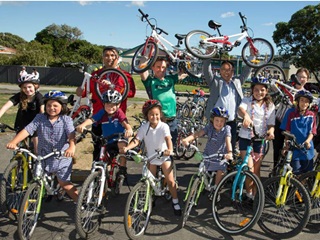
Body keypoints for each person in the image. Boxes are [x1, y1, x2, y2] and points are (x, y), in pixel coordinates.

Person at [6, 90, 78, 203]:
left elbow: (71, 134)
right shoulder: (40, 118)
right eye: (49, 105)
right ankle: (32, 203)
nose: (51, 108)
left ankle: (81, 204)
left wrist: (71, 147)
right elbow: (27, 130)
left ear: (62, 107)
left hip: (62, 155)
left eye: (55, 105)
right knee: (38, 178)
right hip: (44, 154)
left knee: (64, 183)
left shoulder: (66, 120)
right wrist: (14, 142)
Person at [75, 45, 136, 160]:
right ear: (102, 58)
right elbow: (85, 92)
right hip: (98, 116)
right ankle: (97, 174)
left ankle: (118, 174)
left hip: (117, 118)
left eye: (113, 55)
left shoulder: (125, 76)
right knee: (98, 150)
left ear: (118, 58)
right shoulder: (95, 75)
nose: (110, 58)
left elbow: (131, 92)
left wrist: (114, 88)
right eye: (106, 55)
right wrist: (79, 91)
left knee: (118, 151)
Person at [122, 99, 181, 216]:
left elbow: (168, 139)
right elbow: (137, 140)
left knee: (170, 181)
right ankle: (150, 199)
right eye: (151, 115)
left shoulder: (164, 126)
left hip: (163, 156)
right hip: (151, 157)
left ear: (160, 115)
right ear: (146, 116)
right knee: (149, 180)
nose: (154, 117)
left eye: (157, 114)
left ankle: (175, 201)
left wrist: (170, 150)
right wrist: (127, 148)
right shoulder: (144, 127)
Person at [76, 90, 133, 177]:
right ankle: (100, 176)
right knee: (101, 157)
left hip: (119, 137)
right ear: (104, 104)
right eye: (108, 104)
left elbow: (124, 122)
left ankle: (122, 168)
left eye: (113, 105)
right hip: (107, 139)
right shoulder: (102, 112)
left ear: (118, 105)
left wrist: (128, 129)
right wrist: (83, 125)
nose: (110, 107)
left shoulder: (119, 112)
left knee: (122, 147)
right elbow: (92, 119)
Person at [203, 59, 252, 154]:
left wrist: (251, 56)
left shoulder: (237, 82)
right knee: (214, 147)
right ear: (220, 71)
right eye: (224, 70)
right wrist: (208, 56)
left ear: (233, 71)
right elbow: (206, 70)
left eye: (229, 70)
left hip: (231, 122)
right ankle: (211, 166)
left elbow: (246, 71)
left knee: (230, 148)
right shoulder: (215, 82)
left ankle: (227, 166)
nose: (226, 72)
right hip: (216, 122)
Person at [182, 107, 233, 196]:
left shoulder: (226, 129)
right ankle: (199, 184)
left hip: (220, 155)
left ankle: (216, 189)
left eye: (222, 121)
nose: (219, 123)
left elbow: (228, 141)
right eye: (217, 120)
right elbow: (197, 134)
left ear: (225, 122)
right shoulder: (209, 127)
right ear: (212, 120)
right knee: (202, 168)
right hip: (208, 154)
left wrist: (229, 152)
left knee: (220, 169)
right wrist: (187, 139)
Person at [238, 77, 275, 198]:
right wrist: (246, 116)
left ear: (267, 91)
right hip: (246, 139)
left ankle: (256, 194)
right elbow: (241, 109)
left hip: (261, 140)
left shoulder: (270, 106)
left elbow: (271, 123)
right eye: (256, 90)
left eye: (262, 90)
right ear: (252, 90)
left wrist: (271, 131)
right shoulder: (247, 100)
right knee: (250, 170)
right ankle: (248, 194)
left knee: (257, 170)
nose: (259, 92)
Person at [273, 68, 311, 170]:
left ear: (307, 80)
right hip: (280, 122)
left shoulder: (306, 93)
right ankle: (274, 173)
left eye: (304, 77)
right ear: (295, 77)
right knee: (277, 149)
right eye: (300, 76)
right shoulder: (288, 87)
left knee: (289, 150)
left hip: (293, 126)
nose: (301, 79)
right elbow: (274, 89)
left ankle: (285, 174)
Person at [139, 57, 179, 147]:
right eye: (158, 67)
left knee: (170, 149)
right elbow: (141, 68)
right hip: (158, 121)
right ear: (152, 67)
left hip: (172, 121)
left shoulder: (171, 79)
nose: (161, 69)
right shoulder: (150, 81)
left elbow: (184, 72)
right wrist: (149, 50)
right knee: (157, 149)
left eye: (163, 67)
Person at [0, 74, 44, 153]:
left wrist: (43, 120)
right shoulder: (20, 96)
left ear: (35, 86)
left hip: (35, 124)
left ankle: (37, 163)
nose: (27, 89)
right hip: (21, 124)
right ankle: (17, 162)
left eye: (30, 87)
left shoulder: (38, 96)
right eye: (24, 87)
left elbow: (42, 109)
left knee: (37, 149)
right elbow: (5, 107)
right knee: (17, 149)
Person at [281, 90, 316, 175]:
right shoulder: (291, 114)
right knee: (296, 172)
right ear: (298, 101)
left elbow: (312, 132)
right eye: (302, 100)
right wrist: (286, 146)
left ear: (309, 104)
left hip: (307, 149)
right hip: (294, 148)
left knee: (307, 174)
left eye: (307, 102)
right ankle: (296, 188)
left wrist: (308, 141)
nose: (304, 103)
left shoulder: (311, 115)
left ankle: (302, 188)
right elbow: (287, 131)